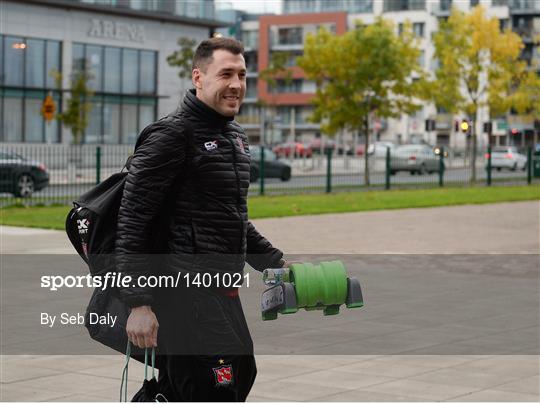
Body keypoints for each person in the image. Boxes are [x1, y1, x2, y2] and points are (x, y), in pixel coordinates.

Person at [115, 37, 286, 401]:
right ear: (198, 76)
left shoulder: (234, 136)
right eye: (226, 74)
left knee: (235, 374)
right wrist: (137, 303)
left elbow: (229, 216)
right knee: (214, 387)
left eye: (242, 75)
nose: (237, 84)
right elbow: (132, 221)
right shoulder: (172, 134)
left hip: (222, 289)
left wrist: (276, 262)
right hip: (183, 294)